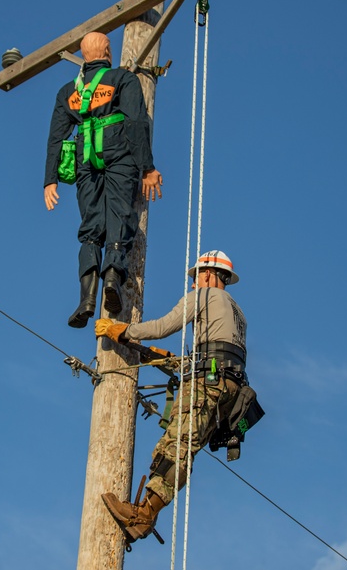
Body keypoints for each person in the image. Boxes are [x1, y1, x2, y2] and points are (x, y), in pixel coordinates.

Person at [94, 250, 258, 544]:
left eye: (196, 277)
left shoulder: (204, 296)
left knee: (175, 445)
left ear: (208, 274)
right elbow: (220, 352)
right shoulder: (238, 312)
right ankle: (146, 512)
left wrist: (122, 330)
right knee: (187, 446)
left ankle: (143, 515)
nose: (194, 283)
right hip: (231, 391)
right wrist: (171, 360)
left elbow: (162, 327)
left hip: (206, 384)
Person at [44, 32, 163, 328]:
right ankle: (112, 278)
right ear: (108, 51)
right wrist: (147, 167)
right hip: (119, 154)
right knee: (119, 218)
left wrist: (50, 180)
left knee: (90, 228)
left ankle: (86, 298)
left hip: (86, 159)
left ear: (84, 56)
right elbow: (136, 122)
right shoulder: (123, 80)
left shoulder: (68, 92)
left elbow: (56, 139)